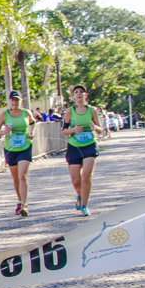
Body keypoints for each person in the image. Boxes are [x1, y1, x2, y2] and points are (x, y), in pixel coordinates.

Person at [0, 90, 34, 216]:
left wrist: (32, 132)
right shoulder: (4, 115)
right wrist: (4, 132)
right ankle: (20, 201)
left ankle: (25, 205)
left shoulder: (26, 113)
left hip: (25, 146)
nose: (15, 102)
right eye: (13, 100)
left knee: (23, 175)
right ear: (9, 101)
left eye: (17, 100)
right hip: (11, 148)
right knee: (16, 177)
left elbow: (33, 123)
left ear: (21, 101)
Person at [62, 85, 101, 216]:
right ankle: (80, 196)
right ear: (73, 96)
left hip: (89, 145)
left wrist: (94, 126)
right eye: (76, 92)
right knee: (75, 180)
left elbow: (101, 129)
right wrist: (73, 130)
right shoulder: (69, 111)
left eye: (81, 92)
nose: (79, 94)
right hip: (74, 146)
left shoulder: (92, 111)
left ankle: (84, 205)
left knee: (86, 176)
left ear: (86, 95)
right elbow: (64, 131)